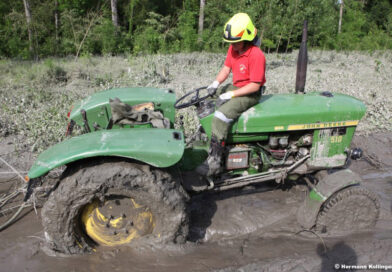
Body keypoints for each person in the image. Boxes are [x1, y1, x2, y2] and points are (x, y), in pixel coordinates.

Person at [206, 13, 266, 177]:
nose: (232, 45)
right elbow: (226, 68)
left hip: (250, 93)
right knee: (206, 99)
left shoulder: (256, 55)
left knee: (220, 116)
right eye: (230, 42)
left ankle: (215, 160)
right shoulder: (234, 49)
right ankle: (207, 135)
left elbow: (255, 85)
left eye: (235, 42)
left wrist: (231, 95)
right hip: (237, 86)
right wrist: (215, 84)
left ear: (247, 38)